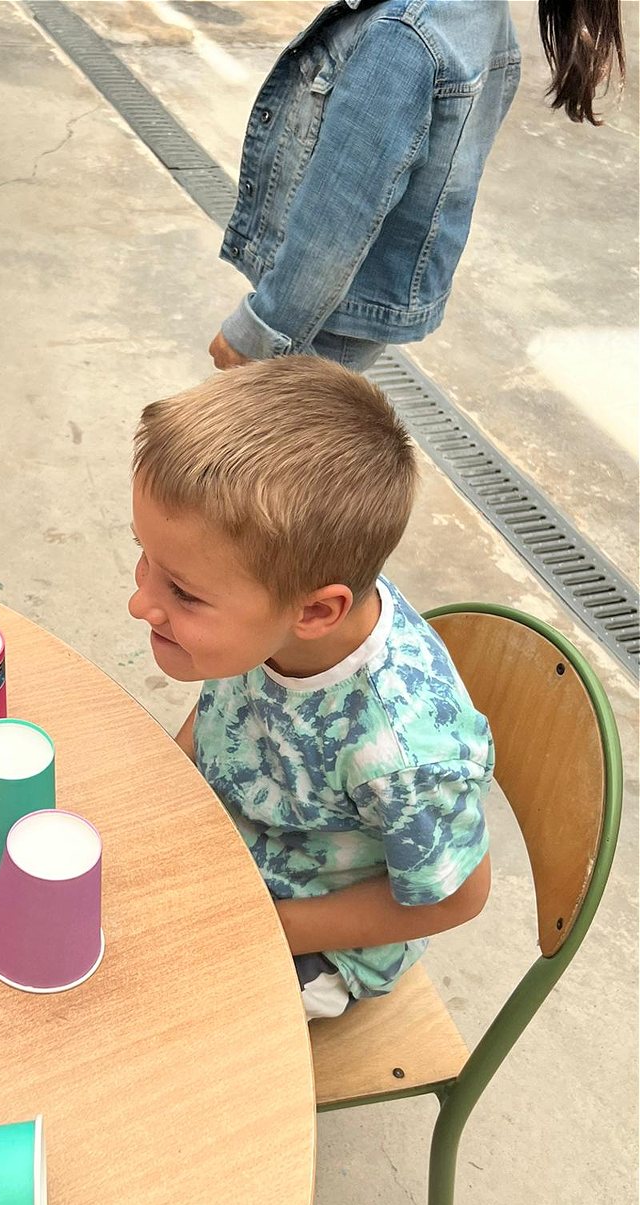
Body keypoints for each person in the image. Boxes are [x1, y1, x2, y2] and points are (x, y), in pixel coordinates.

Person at [128, 356, 494, 1018]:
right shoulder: (275, 604)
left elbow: (457, 895)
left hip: (313, 937)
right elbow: (226, 710)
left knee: (141, 1010)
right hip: (227, 846)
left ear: (318, 611)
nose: (140, 602)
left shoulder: (403, 754)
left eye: (180, 590)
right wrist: (167, 799)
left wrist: (267, 926)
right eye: (144, 558)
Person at [210, 0, 625, 374]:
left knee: (274, 434)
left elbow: (336, 223)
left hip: (317, 320)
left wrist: (260, 333)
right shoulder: (478, 13)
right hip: (348, 307)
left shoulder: (404, 31)